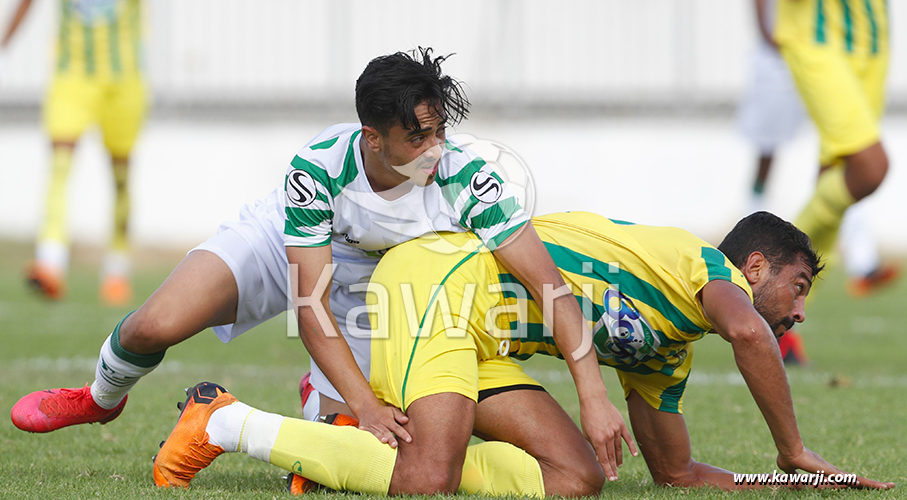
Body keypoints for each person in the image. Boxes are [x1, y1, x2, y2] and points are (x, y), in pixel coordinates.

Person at [11, 47, 635, 482]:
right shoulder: (317, 168)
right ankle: (98, 397)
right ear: (372, 136)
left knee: (368, 448)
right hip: (291, 241)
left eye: (438, 131)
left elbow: (548, 285)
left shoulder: (471, 178)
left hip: (381, 283)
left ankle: (314, 401)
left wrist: (593, 393)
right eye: (417, 137)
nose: (434, 148)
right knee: (155, 324)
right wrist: (364, 404)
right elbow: (308, 305)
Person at [150, 211, 894, 494]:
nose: (797, 311)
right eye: (797, 286)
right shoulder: (702, 267)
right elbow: (749, 332)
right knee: (427, 481)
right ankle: (224, 423)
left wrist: (782, 482)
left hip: (480, 340)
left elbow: (673, 473)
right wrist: (792, 446)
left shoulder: (668, 350)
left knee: (574, 481)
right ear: (755, 268)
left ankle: (343, 443)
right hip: (436, 285)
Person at [1, 0, 148, 305]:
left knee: (120, 177)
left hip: (124, 81)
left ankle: (116, 271)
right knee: (59, 167)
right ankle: (50, 263)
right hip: (71, 77)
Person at [772, 0, 894, 295]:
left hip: (872, 39)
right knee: (870, 167)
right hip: (816, 36)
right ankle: (775, 264)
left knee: (836, 173)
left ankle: (785, 313)